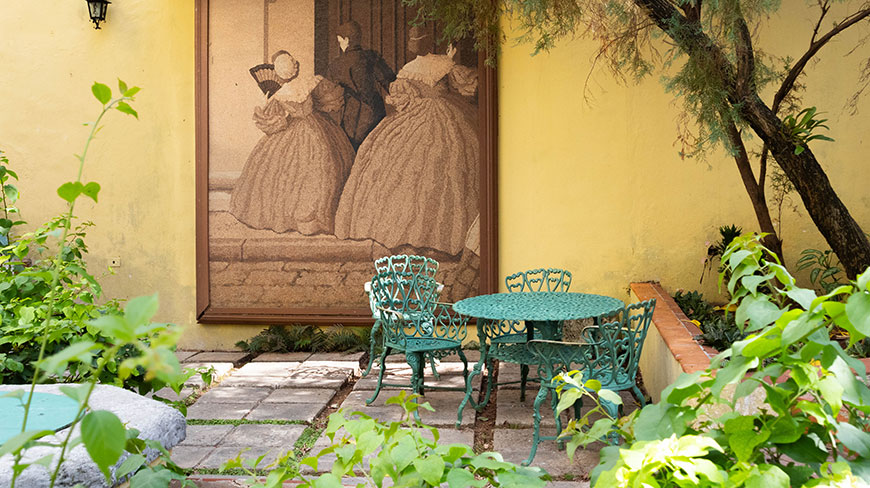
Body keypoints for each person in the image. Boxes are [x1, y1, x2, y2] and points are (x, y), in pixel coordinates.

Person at [333, 26, 479, 256]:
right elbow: (468, 89)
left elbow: (401, 101)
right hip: (447, 116)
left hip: (413, 118)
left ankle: (399, 231)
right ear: (431, 42)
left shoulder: (408, 70)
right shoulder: (446, 65)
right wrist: (449, 60)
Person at [230, 51, 354, 235]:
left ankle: (296, 217)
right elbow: (332, 100)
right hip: (317, 126)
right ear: (295, 68)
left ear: (278, 73)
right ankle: (313, 218)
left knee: (283, 173)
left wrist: (266, 105)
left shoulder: (280, 95)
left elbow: (273, 123)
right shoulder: (310, 83)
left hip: (293, 128)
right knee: (321, 168)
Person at [326, 21, 396, 150]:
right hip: (374, 111)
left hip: (349, 116)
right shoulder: (371, 57)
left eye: (340, 41)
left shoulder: (335, 64)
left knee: (353, 151)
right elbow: (389, 81)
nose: (340, 45)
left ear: (346, 40)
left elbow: (329, 94)